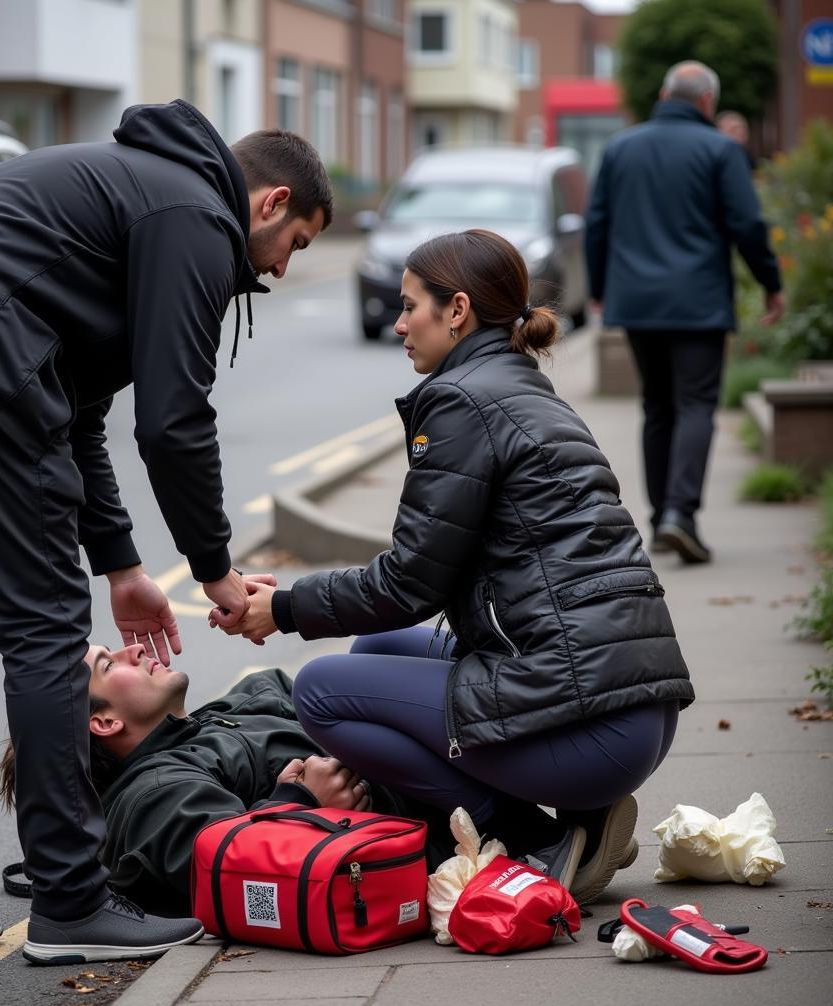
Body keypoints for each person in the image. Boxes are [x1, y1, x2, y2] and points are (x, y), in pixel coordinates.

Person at [0, 100, 332, 964]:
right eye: (299, 244)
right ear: (272, 202)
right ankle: (70, 901)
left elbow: (79, 412)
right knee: (44, 627)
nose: (285, 269)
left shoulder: (138, 189)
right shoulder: (196, 217)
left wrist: (124, 567)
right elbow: (174, 420)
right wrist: (213, 569)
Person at [217, 228, 696, 906]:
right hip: (631, 709)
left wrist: (286, 609)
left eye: (412, 306)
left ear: (459, 310)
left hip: (591, 729)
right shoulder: (520, 388)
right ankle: (583, 822)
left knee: (321, 690)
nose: (401, 322)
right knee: (377, 647)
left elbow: (410, 582)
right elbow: (419, 584)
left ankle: (531, 839)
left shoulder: (460, 401)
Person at [0, 638, 450, 918]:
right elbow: (231, 866)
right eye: (110, 666)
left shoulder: (218, 715)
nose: (131, 650)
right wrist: (302, 801)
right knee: (334, 674)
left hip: (432, 763)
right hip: (441, 820)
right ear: (104, 723)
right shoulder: (156, 794)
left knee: (376, 644)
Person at [584, 61, 782, 563]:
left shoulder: (621, 147)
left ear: (663, 92)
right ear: (707, 102)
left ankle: (660, 520)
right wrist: (771, 284)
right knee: (695, 405)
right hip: (699, 302)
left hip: (637, 302)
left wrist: (601, 288)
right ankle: (681, 514)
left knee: (657, 407)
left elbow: (597, 223)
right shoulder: (720, 149)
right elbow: (748, 224)